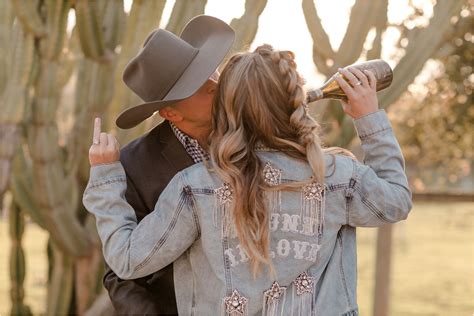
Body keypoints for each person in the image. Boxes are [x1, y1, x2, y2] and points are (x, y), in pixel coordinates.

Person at [84, 44, 412, 315]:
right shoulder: (339, 176)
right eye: (202, 88)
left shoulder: (195, 187)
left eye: (216, 80)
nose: (214, 87)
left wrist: (103, 180)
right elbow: (396, 201)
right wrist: (370, 120)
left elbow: (127, 258)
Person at [98, 15, 235, 314]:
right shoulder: (133, 166)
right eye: (200, 84)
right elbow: (121, 274)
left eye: (213, 71)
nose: (216, 85)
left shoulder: (256, 133)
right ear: (171, 113)